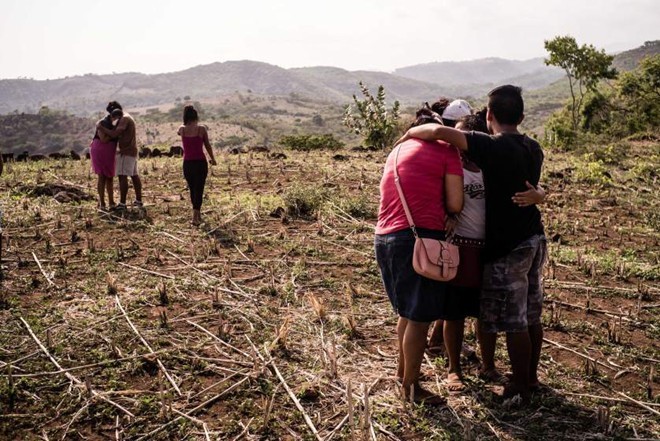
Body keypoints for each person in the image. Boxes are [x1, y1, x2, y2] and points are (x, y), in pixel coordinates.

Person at [396, 85, 547, 403]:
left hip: (507, 246)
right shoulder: (533, 148)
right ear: (522, 116)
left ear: (489, 115)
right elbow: (533, 186)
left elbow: (438, 131)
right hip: (535, 237)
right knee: (531, 314)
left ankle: (519, 384)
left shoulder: (490, 147)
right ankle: (530, 377)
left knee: (514, 319)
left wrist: (408, 136)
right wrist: (541, 195)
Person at [375, 105, 464, 405]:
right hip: (420, 238)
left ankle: (404, 374)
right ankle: (411, 388)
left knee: (406, 312)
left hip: (385, 237)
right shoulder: (445, 150)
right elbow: (455, 203)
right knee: (420, 317)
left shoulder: (396, 151)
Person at [96, 101, 143, 210]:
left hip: (126, 152)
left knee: (122, 176)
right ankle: (139, 200)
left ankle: (122, 203)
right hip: (131, 150)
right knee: (134, 175)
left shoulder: (124, 119)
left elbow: (114, 134)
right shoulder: (128, 117)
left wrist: (101, 128)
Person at [177, 105, 217, 225]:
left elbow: (180, 133)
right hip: (200, 163)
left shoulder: (182, 129)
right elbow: (207, 145)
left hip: (187, 163)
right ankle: (195, 217)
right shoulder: (201, 129)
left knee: (192, 188)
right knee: (199, 188)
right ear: (196, 116)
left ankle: (197, 215)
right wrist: (213, 159)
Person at [89, 109, 120, 210]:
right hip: (100, 150)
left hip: (109, 152)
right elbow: (104, 139)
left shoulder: (110, 125)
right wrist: (114, 133)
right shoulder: (102, 123)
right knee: (102, 177)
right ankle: (102, 203)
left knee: (110, 177)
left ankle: (111, 201)